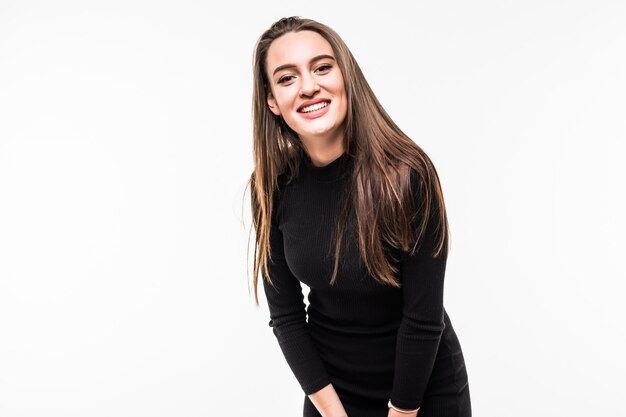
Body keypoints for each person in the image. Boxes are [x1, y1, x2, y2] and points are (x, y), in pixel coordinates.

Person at [248, 16, 472, 417]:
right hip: (331, 395)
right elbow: (285, 317)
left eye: (322, 67)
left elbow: (423, 318)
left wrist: (401, 412)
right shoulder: (271, 188)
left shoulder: (406, 175)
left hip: (421, 393)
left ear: (345, 75)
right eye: (286, 78)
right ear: (271, 101)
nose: (308, 86)